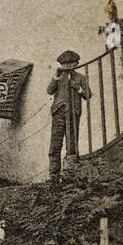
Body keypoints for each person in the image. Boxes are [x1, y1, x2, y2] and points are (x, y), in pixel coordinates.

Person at [47, 49, 90, 183]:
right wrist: (55, 77)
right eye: (65, 64)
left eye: (71, 64)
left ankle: (69, 176)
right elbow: (49, 91)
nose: (68, 67)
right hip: (58, 114)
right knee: (55, 145)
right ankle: (54, 176)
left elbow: (88, 95)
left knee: (72, 145)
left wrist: (78, 88)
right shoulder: (59, 77)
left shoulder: (81, 78)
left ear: (76, 63)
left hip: (73, 114)